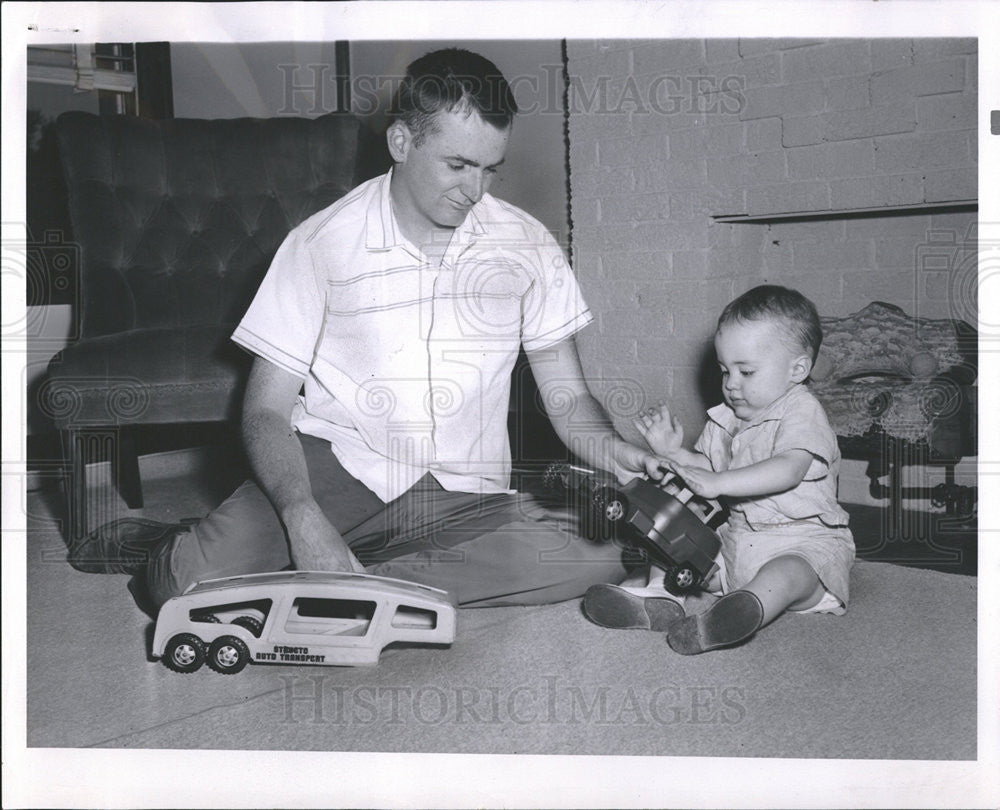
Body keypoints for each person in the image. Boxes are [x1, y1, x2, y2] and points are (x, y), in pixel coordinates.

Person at [74, 47, 660, 609]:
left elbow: (567, 396)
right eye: (457, 165)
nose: (475, 191)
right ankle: (161, 544)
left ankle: (344, 578)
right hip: (339, 471)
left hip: (465, 493)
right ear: (401, 141)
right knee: (187, 583)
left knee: (600, 556)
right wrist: (301, 514)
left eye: (489, 170)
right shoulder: (320, 243)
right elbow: (266, 411)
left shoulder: (528, 245)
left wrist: (610, 448)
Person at [583, 285, 855, 654]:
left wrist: (720, 481)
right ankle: (660, 597)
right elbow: (707, 470)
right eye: (725, 370)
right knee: (676, 539)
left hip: (803, 543)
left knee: (787, 574)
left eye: (746, 371)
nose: (730, 384)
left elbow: (790, 468)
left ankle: (739, 615)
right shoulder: (727, 419)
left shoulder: (800, 410)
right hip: (737, 546)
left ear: (798, 369)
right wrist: (674, 453)